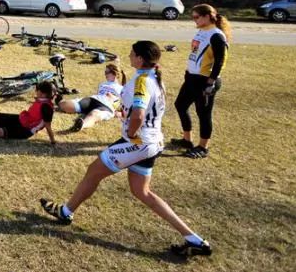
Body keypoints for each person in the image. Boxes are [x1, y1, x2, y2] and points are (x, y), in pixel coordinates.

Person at [40, 41, 213, 258]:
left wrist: (131, 133)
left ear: (140, 58)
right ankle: (193, 239)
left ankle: (65, 212)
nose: (129, 56)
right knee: (142, 192)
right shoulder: (154, 77)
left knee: (94, 171)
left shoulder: (142, 81)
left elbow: (139, 115)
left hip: (138, 143)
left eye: (132, 53)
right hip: (152, 143)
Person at [172, 3, 231, 159]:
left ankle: (203, 147)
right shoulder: (201, 32)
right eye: (193, 17)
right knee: (180, 105)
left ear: (207, 16)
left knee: (203, 113)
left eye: (197, 17)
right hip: (192, 78)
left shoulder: (216, 35)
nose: (194, 20)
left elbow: (220, 61)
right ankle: (187, 140)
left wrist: (210, 83)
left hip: (205, 81)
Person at [56, 63, 126, 132]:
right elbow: (98, 94)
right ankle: (59, 102)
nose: (105, 74)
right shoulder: (102, 84)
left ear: (115, 74)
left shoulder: (122, 88)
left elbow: (125, 104)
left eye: (107, 72)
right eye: (105, 72)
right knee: (65, 105)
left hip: (107, 105)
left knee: (94, 115)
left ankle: (81, 125)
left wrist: (120, 112)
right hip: (93, 99)